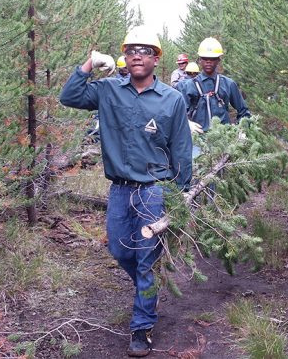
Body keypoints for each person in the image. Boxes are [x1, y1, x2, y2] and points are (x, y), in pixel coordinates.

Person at [60, 25, 192, 357]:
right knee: (120, 252)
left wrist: (180, 195)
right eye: (132, 49)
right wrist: (90, 64)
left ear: (156, 59)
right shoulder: (107, 91)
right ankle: (148, 290)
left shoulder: (172, 100)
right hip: (119, 191)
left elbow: (181, 151)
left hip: (154, 192)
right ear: (124, 55)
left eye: (145, 50)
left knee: (146, 261)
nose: (137, 54)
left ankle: (142, 327)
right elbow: (69, 97)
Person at [177, 37, 251, 135]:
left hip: (224, 139)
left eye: (212, 58)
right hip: (198, 140)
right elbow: (178, 113)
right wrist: (187, 123)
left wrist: (242, 131)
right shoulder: (188, 86)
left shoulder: (228, 84)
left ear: (218, 60)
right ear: (199, 60)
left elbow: (243, 111)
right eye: (205, 58)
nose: (208, 61)